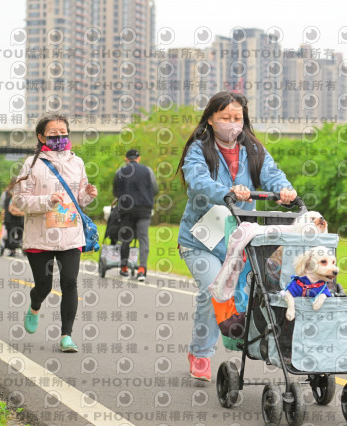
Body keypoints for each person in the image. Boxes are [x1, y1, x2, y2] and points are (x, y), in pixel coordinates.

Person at [176, 91, 297, 380]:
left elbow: (272, 174)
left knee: (247, 295)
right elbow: (197, 181)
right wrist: (227, 191)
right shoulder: (199, 149)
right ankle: (201, 353)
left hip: (240, 239)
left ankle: (251, 341)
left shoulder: (253, 149)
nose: (232, 123)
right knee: (214, 290)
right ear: (210, 119)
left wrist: (285, 190)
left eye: (237, 118)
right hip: (201, 241)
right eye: (225, 117)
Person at [11, 113, 98, 353]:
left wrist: (88, 195)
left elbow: (79, 200)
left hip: (70, 234)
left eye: (63, 132)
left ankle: (66, 336)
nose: (60, 137)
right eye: (53, 134)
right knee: (44, 286)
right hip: (40, 236)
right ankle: (35, 304)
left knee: (70, 282)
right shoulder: (32, 164)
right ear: (41, 137)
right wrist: (47, 200)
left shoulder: (77, 163)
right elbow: (20, 200)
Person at [113, 149, 158, 281]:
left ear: (126, 159)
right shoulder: (148, 171)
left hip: (126, 210)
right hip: (144, 209)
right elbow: (155, 189)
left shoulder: (120, 171)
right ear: (138, 158)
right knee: (143, 238)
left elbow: (115, 192)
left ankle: (124, 268)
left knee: (126, 238)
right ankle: (142, 270)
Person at [0, 177, 25, 256]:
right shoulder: (22, 193)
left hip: (9, 217)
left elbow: (2, 204)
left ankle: (12, 249)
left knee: (11, 233)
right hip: (20, 216)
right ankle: (18, 246)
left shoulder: (6, 192)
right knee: (20, 233)